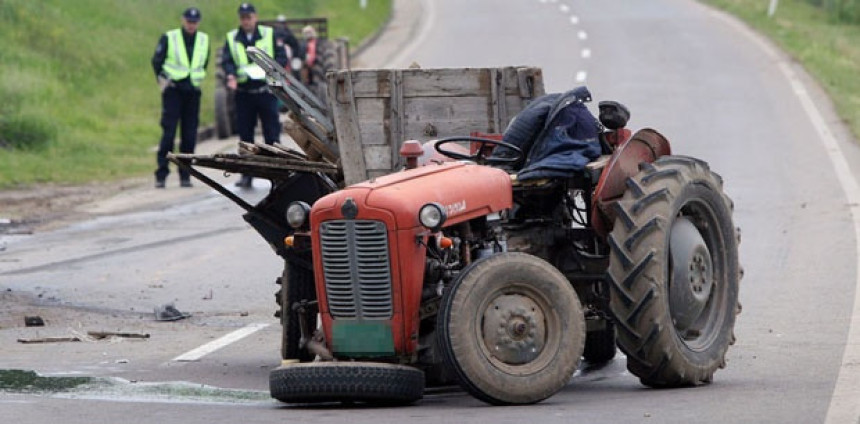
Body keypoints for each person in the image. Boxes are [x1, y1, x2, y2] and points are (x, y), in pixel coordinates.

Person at [222, 3, 288, 188]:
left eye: (249, 17)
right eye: (243, 18)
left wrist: (273, 71)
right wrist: (230, 74)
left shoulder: (269, 34)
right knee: (245, 136)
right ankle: (247, 174)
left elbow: (281, 57)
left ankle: (277, 175)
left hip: (265, 92)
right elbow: (227, 61)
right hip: (244, 94)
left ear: (255, 17)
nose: (246, 21)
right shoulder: (232, 38)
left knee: (272, 134)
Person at [151, 7, 210, 188]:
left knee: (189, 135)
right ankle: (162, 173)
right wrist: (163, 82)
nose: (191, 25)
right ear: (183, 20)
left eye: (194, 22)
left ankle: (185, 175)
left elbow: (204, 62)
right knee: (169, 133)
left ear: (198, 22)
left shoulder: (203, 39)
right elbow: (157, 61)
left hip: (192, 91)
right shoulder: (170, 37)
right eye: (189, 21)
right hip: (174, 91)